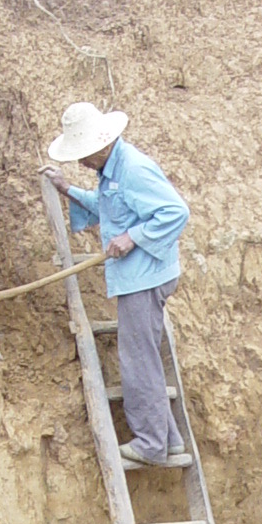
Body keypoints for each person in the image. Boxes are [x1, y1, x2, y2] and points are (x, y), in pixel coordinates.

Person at [45, 104, 190, 467]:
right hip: (140, 275)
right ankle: (168, 438)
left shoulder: (134, 169)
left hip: (144, 277)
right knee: (144, 357)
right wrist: (68, 190)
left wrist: (133, 237)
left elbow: (176, 212)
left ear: (101, 145)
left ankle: (150, 444)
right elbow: (109, 208)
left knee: (137, 361)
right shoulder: (112, 170)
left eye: (83, 155)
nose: (80, 163)